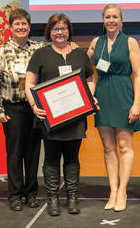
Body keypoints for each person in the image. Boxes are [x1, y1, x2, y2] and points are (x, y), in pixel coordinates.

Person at [25, 13, 96, 216]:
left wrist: (88, 100)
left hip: (75, 117)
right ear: (50, 32)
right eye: (56, 29)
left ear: (69, 31)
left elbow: (90, 80)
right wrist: (33, 105)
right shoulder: (41, 54)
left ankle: (72, 197)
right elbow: (30, 83)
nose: (59, 32)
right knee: (52, 158)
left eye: (63, 28)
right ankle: (53, 199)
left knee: (73, 158)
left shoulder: (80, 54)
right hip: (50, 118)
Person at [87, 4, 140, 212]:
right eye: (108, 17)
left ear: (121, 20)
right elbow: (85, 67)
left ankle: (122, 191)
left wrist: (137, 102)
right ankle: (112, 190)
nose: (111, 20)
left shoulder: (130, 42)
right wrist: (90, 93)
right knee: (109, 148)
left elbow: (138, 75)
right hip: (103, 95)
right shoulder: (96, 42)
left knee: (124, 147)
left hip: (124, 95)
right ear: (103, 20)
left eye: (115, 17)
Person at [0, 9, 43, 211]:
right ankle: (15, 194)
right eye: (17, 24)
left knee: (33, 153)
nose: (21, 27)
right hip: (14, 109)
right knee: (15, 153)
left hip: (36, 109)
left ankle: (31, 193)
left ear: (29, 26)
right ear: (10, 28)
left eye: (24, 24)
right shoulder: (1, 52)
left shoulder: (39, 48)